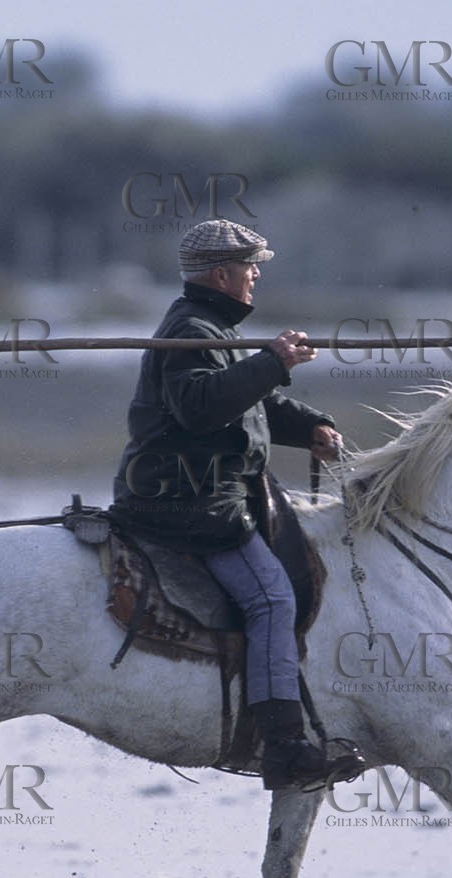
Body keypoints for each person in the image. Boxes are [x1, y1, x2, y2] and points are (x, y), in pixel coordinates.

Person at [111, 219, 363, 790]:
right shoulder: (192, 330)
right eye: (250, 268)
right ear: (222, 274)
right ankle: (284, 746)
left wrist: (311, 426)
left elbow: (247, 403)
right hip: (187, 501)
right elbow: (202, 406)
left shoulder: (208, 328)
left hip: (196, 493)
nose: (255, 278)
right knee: (273, 598)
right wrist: (273, 360)